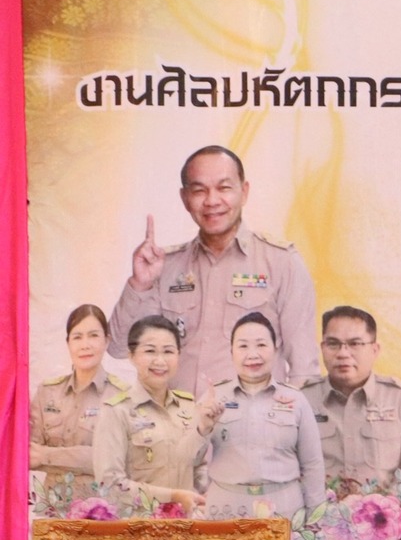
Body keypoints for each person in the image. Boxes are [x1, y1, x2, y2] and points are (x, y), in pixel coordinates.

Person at [109, 144, 318, 395]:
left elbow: (304, 371)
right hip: (178, 418)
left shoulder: (282, 263)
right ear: (185, 198)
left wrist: (291, 417)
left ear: (244, 192)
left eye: (224, 188)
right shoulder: (165, 267)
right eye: (199, 190)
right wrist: (139, 284)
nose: (212, 201)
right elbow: (119, 347)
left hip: (252, 418)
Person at [202, 311, 324, 518]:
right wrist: (202, 427)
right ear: (231, 352)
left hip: (284, 508)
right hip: (226, 509)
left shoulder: (295, 399)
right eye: (243, 346)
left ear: (275, 350)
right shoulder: (212, 398)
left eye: (261, 345)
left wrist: (315, 518)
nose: (252, 354)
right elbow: (189, 459)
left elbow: (312, 464)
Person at [305, 305, 401, 493]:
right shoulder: (300, 400)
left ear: (374, 350)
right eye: (333, 344)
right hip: (316, 510)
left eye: (355, 344)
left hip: (387, 509)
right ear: (322, 348)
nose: (343, 353)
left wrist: (383, 506)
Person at [93, 315, 215, 512]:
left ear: (178, 355)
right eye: (150, 351)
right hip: (138, 526)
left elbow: (197, 467)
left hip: (186, 525)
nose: (160, 361)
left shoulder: (187, 406)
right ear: (131, 356)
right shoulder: (117, 411)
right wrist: (173, 497)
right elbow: (110, 486)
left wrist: (207, 494)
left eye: (168, 351)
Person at [31, 304, 128, 479]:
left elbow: (114, 459)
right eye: (77, 337)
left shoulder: (122, 397)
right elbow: (29, 454)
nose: (85, 345)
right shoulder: (47, 393)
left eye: (93, 336)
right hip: (52, 497)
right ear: (68, 343)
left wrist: (46, 456)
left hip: (101, 497)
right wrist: (86, 456)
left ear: (106, 341)